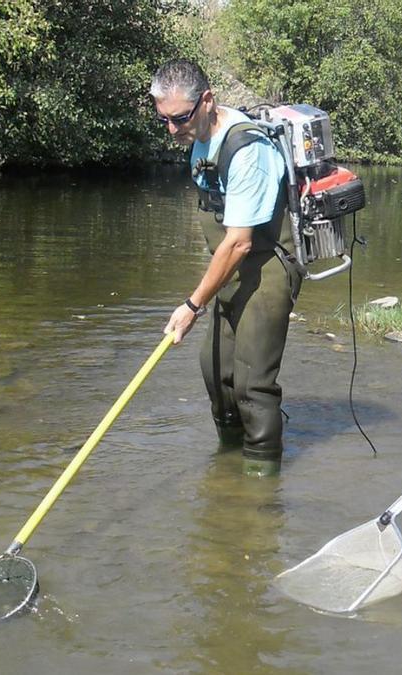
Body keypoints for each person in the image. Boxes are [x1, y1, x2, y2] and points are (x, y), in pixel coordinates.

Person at [151, 59, 301, 477]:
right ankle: (227, 468)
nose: (172, 129)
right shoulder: (199, 139)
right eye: (164, 119)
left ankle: (259, 483)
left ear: (207, 101)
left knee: (253, 386)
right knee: (215, 371)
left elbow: (239, 240)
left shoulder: (247, 150)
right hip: (234, 271)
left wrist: (192, 304)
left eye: (179, 118)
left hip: (267, 268)